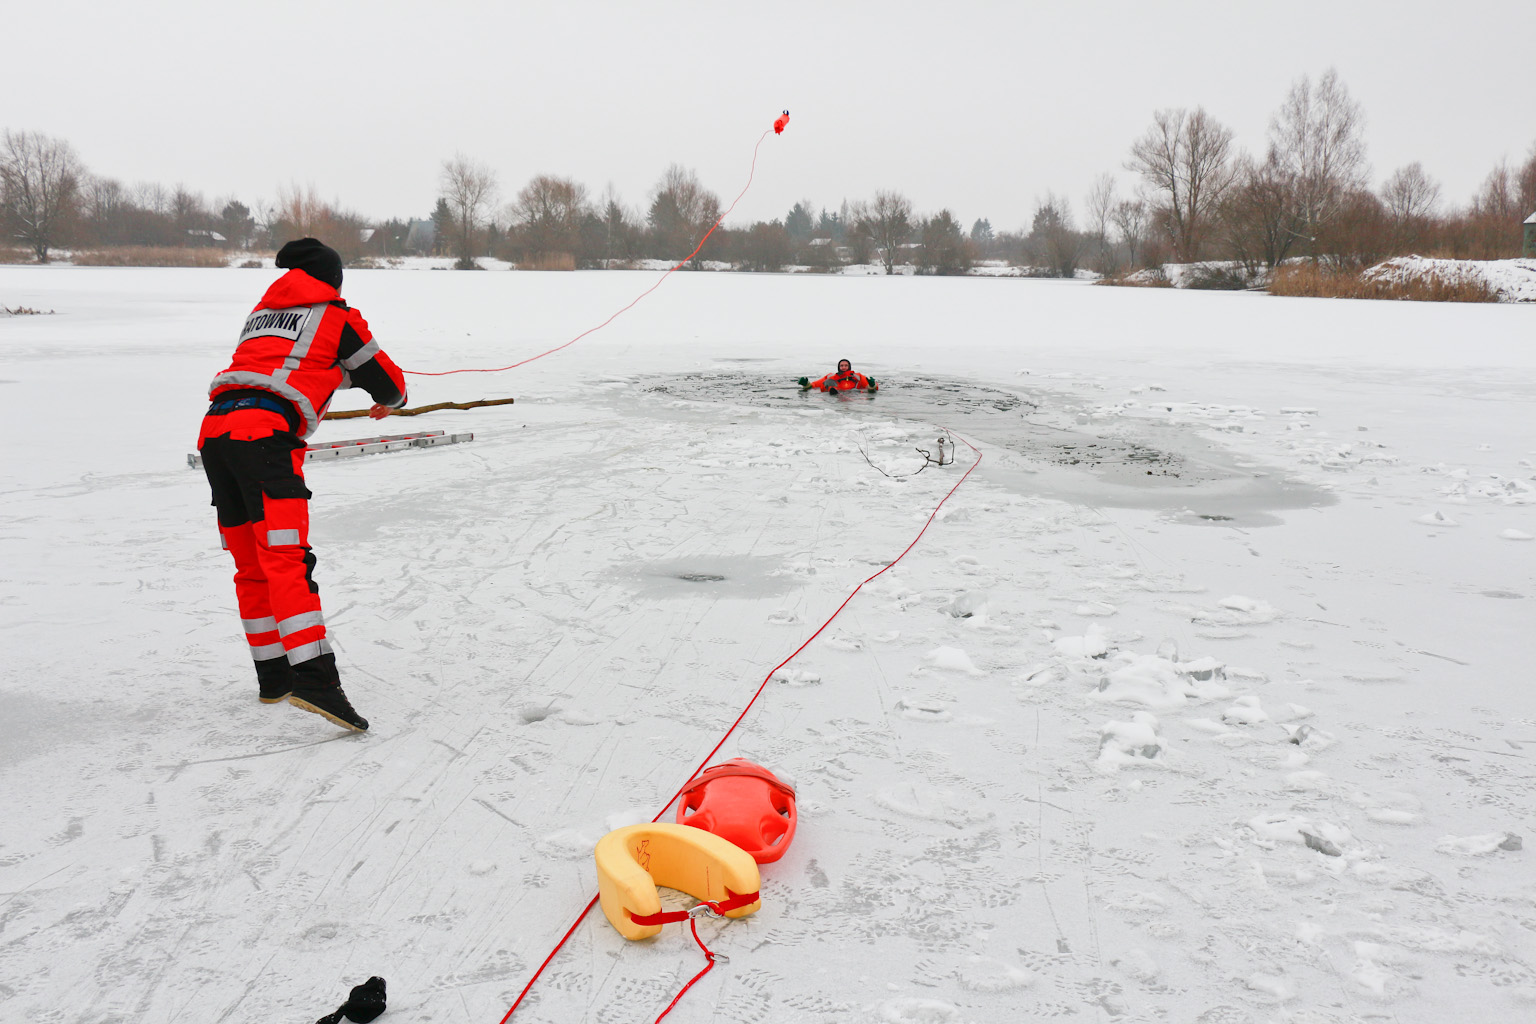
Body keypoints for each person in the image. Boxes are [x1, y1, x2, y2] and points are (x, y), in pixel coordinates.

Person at [197, 238, 408, 731]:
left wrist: (342, 377)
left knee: (251, 565)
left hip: (215, 434)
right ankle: (316, 682)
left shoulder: (263, 315)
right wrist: (391, 400)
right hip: (264, 438)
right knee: (286, 561)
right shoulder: (335, 315)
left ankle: (274, 677)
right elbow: (389, 384)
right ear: (333, 279)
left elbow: (291, 367)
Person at [800, 359, 878, 393]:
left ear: (849, 367)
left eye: (846, 365)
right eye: (841, 366)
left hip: (854, 396)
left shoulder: (858, 376)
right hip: (835, 398)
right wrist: (806, 384)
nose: (843, 367)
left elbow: (872, 388)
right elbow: (814, 385)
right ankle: (833, 390)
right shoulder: (830, 377)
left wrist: (872, 385)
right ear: (838, 367)